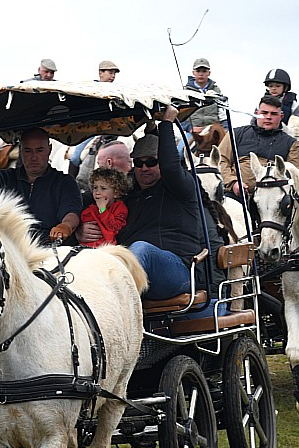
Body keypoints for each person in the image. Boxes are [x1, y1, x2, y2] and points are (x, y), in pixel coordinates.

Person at [79, 106, 224, 305]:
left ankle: (108, 308)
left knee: (140, 250)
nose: (144, 168)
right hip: (127, 266)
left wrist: (166, 124)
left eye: (151, 162)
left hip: (177, 270)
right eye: (139, 163)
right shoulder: (127, 191)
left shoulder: (181, 187)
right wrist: (78, 230)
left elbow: (172, 168)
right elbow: (87, 198)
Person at [0, 127, 82, 244]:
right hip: (9, 247)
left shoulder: (65, 182)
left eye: (40, 150)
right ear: (20, 150)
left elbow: (71, 212)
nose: (34, 157)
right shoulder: (3, 179)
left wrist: (66, 226)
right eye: (28, 150)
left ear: (49, 149)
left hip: (49, 248)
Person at [218, 95, 299, 199]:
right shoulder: (235, 134)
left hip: (275, 199)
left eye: (273, 114)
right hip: (236, 196)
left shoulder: (291, 144)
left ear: (281, 117)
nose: (268, 117)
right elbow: (220, 160)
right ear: (256, 114)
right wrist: (233, 183)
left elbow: (298, 175)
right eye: (264, 113)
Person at [78, 168, 130, 247]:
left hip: (106, 247)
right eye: (95, 188)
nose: (97, 192)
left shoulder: (119, 208)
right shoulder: (91, 208)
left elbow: (114, 228)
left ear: (116, 193)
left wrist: (103, 210)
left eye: (103, 188)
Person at [181, 58, 227, 135]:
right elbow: (179, 115)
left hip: (214, 130)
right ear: (193, 73)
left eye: (204, 71)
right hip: (194, 131)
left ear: (209, 73)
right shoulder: (185, 92)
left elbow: (223, 113)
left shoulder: (217, 91)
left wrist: (226, 129)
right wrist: (189, 128)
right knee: (181, 147)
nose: (201, 74)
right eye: (198, 71)